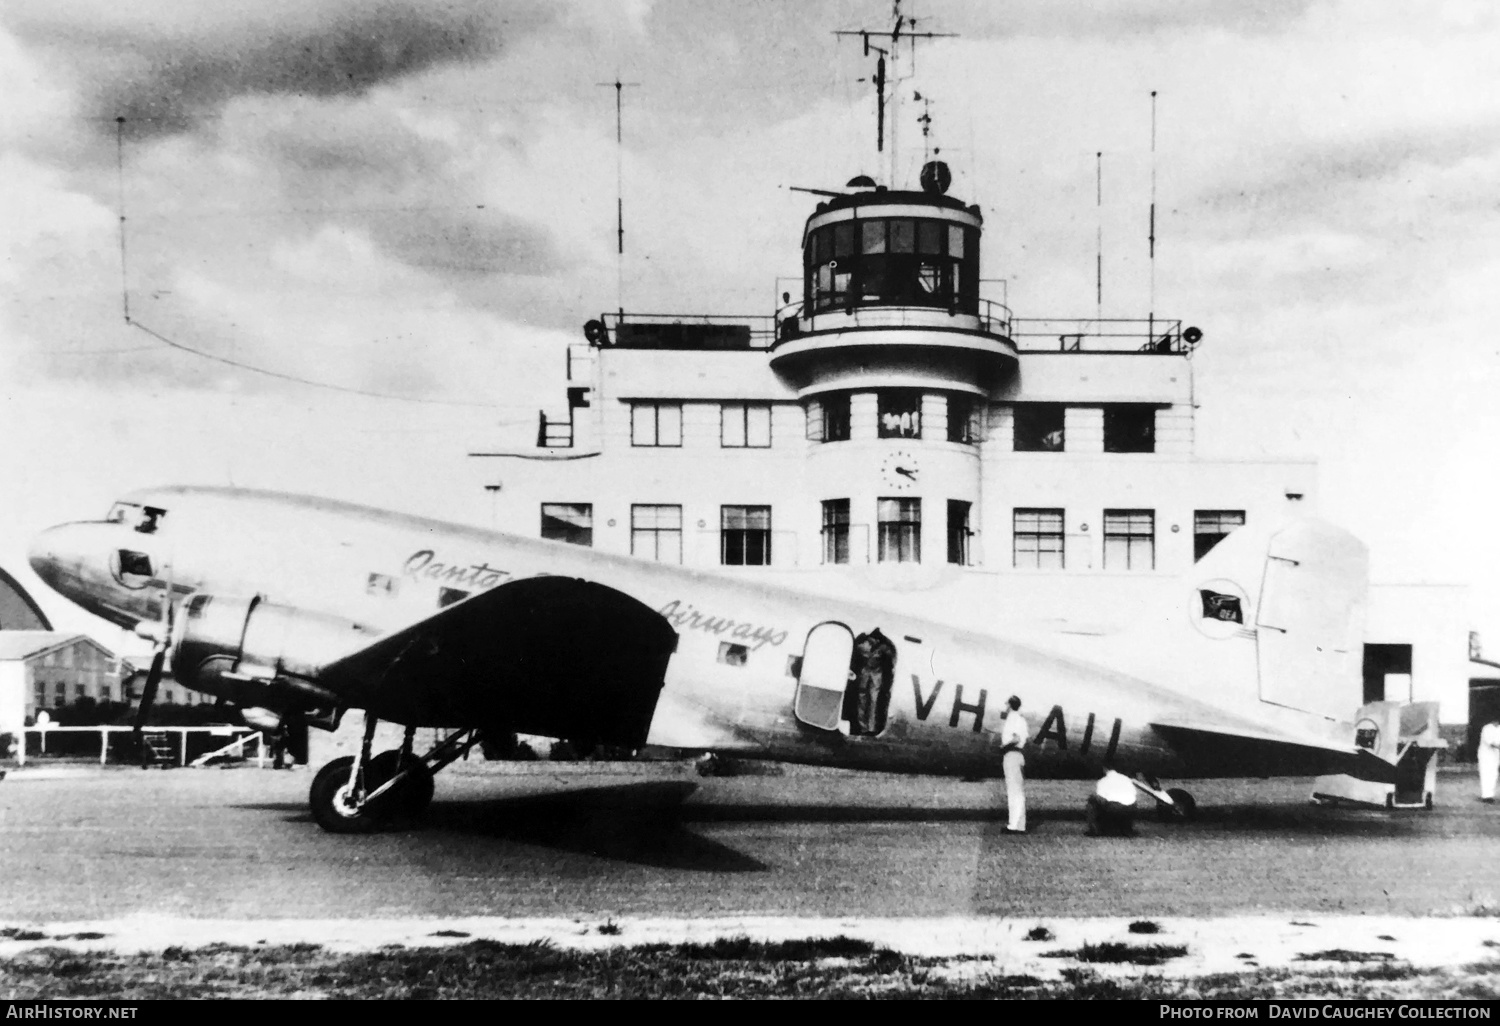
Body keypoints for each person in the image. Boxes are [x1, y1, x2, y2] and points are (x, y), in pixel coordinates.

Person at [999, 695, 1028, 833]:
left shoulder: (1014, 718)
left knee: (1014, 791)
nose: (1006, 706)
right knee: (1015, 790)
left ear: (1010, 705)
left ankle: (1015, 826)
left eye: (1007, 704)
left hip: (1012, 754)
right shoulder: (1020, 718)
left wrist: (1003, 746)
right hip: (1015, 755)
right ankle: (1017, 824)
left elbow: (1016, 738)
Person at [1086, 765, 1138, 837]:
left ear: (1105, 770)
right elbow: (1134, 793)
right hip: (1130, 808)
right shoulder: (1126, 779)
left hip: (1113, 807)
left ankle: (1095, 830)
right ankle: (1127, 829)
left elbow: (1100, 795)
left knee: (1093, 799)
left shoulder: (1103, 781)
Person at [1478, 718, 1500, 803]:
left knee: (1494, 774)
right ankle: (1486, 795)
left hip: (1496, 755)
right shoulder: (1487, 728)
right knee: (1486, 774)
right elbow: (1490, 742)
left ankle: (1491, 794)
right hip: (1486, 755)